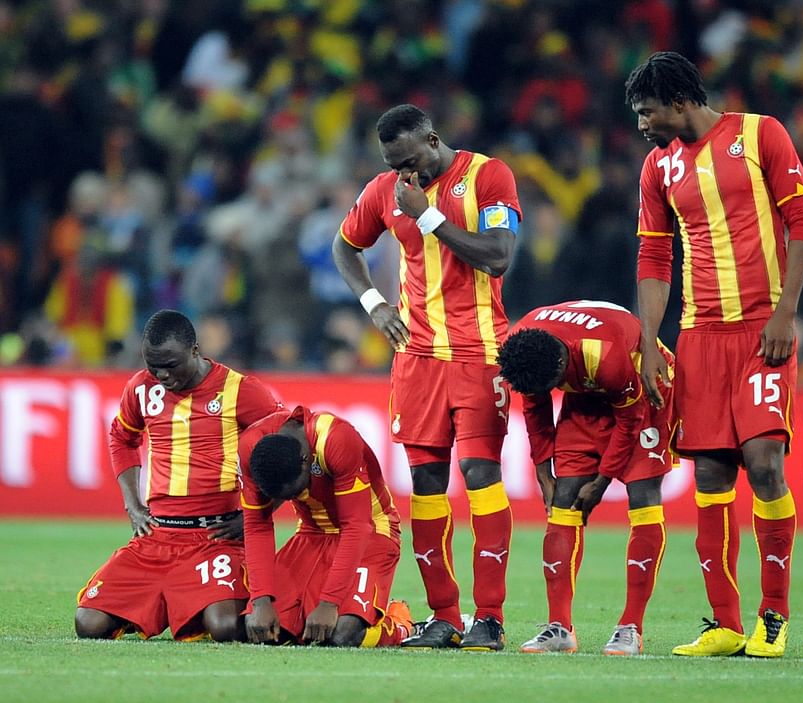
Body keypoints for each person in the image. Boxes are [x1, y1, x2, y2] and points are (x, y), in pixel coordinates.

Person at [626, 51, 803, 658]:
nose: (641, 124)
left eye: (646, 111)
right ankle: (726, 622)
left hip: (763, 331)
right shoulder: (658, 166)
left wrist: (786, 313)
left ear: (680, 101)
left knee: (763, 462)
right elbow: (655, 257)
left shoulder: (761, 134)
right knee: (709, 473)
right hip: (699, 335)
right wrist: (650, 342)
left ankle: (775, 615)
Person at [332, 104, 522, 650]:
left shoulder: (489, 176)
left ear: (433, 139)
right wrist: (373, 302)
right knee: (427, 485)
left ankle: (489, 618)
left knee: (480, 473)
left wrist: (428, 216)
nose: (405, 174)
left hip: (481, 352)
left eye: (411, 160)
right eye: (395, 165)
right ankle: (445, 618)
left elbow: (499, 257)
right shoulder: (385, 189)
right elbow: (345, 246)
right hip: (416, 358)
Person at [75, 309, 281, 641]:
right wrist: (133, 504)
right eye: (153, 366)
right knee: (88, 624)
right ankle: (169, 604)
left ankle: (200, 604)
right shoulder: (142, 388)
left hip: (215, 539)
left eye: (171, 366)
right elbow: (122, 438)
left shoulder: (239, 390)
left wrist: (257, 515)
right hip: (159, 536)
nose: (162, 376)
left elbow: (286, 447)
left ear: (195, 351)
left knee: (226, 626)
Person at [497, 300, 676, 656]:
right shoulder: (522, 348)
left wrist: (604, 479)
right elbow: (535, 406)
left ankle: (631, 628)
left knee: (643, 494)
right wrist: (542, 469)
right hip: (585, 396)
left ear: (562, 366)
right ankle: (559, 627)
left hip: (642, 385)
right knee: (563, 500)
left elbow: (629, 422)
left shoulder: (603, 355)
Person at [238, 406, 413, 647]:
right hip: (310, 532)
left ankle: (399, 623)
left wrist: (329, 603)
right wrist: (260, 601)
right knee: (264, 630)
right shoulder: (250, 448)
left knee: (342, 634)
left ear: (306, 460)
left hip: (371, 529)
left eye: (296, 491)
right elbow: (257, 525)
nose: (295, 498)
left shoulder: (336, 438)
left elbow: (356, 526)